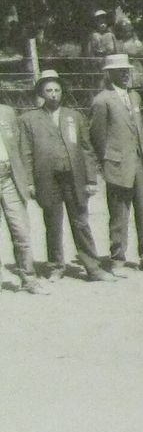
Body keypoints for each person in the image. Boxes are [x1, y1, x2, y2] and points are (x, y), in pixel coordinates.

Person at [21, 70, 104, 282]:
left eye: (57, 90)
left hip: (73, 178)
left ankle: (93, 267)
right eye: (48, 90)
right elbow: (26, 154)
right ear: (41, 93)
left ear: (62, 92)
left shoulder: (74, 116)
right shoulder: (29, 120)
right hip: (47, 179)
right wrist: (29, 182)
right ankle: (56, 266)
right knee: (52, 223)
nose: (53, 94)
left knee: (81, 222)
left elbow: (86, 150)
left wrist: (91, 179)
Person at [89, 52, 143, 273]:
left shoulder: (135, 96)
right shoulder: (102, 100)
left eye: (126, 71)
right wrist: (109, 160)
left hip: (141, 162)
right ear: (109, 74)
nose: (124, 74)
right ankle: (118, 259)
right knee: (119, 214)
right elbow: (97, 137)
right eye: (119, 71)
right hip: (117, 164)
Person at [0, 90, 44, 292]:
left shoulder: (7, 112)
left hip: (9, 178)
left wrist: (26, 180)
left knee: (21, 230)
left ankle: (28, 278)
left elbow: (19, 147)